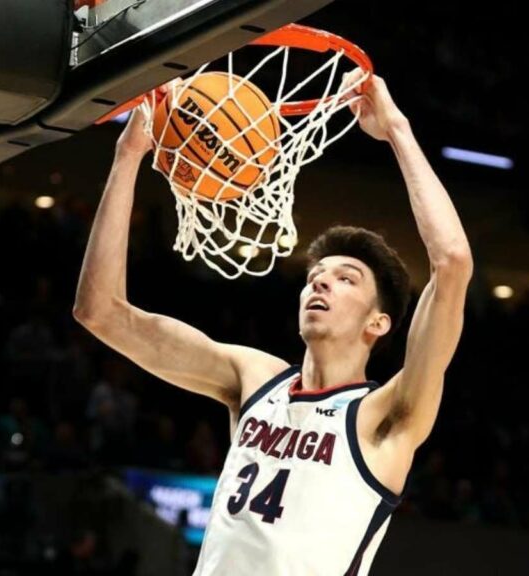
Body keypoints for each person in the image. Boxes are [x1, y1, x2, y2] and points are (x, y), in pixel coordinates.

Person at [73, 72, 473, 575]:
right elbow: (101, 312)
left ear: (379, 322)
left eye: (346, 279)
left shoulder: (385, 417)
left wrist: (396, 127)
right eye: (316, 276)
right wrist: (128, 155)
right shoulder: (255, 380)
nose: (321, 284)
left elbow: (453, 263)